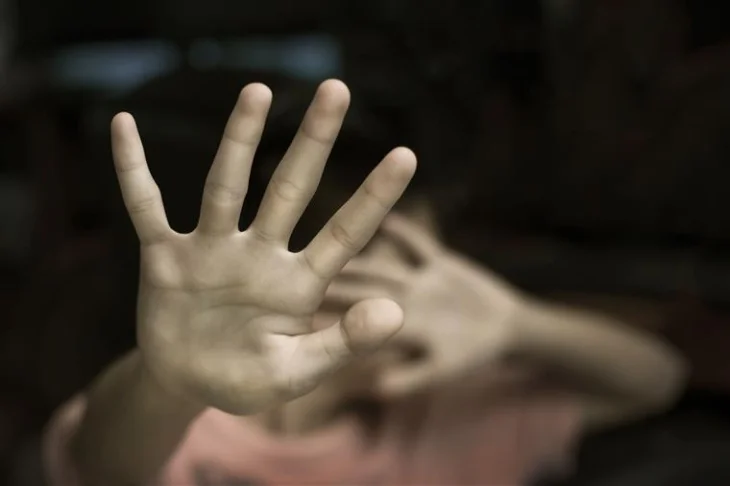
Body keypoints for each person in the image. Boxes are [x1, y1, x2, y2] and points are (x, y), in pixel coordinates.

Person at [43, 79, 687, 485]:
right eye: (394, 259)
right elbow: (103, 464)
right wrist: (168, 385)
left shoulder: (452, 418)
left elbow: (658, 378)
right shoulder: (189, 424)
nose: (419, 298)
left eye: (427, 260)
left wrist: (520, 323)